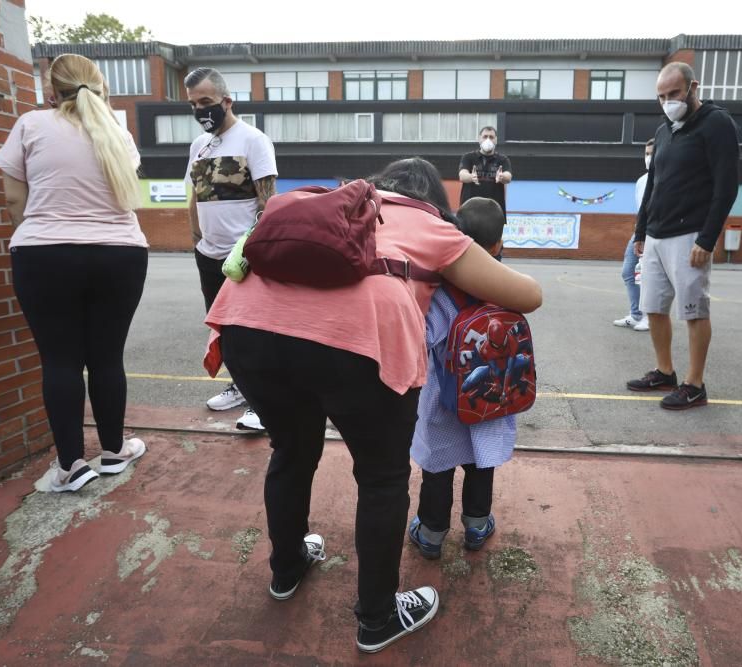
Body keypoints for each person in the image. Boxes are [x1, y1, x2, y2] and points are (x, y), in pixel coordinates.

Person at [202, 158, 542, 653]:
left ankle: (287, 568)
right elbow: (527, 295)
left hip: (246, 329)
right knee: (381, 479)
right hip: (357, 345)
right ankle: (378, 618)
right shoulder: (431, 226)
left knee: (291, 452)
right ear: (436, 203)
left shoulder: (323, 204)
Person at [0, 54, 148, 492]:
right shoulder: (118, 132)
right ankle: (115, 452)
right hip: (121, 253)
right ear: (100, 87)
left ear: (49, 90)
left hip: (45, 252)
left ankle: (70, 467)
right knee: (106, 356)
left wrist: (40, 239)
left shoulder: (31, 124)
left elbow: (11, 200)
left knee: (60, 359)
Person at [407, 197, 519, 560]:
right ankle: (476, 525)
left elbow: (422, 340)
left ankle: (431, 534)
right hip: (492, 399)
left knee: (437, 468)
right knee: (479, 464)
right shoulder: (508, 287)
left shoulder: (443, 292)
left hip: (446, 398)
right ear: (499, 244)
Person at [628, 62, 739, 410]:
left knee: (693, 311)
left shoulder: (716, 123)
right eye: (661, 96)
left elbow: (726, 187)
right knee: (654, 308)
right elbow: (653, 188)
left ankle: (695, 384)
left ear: (693, 87)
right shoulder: (664, 131)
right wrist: (640, 231)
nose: (668, 102)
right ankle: (665, 372)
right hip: (656, 236)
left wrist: (706, 239)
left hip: (689, 235)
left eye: (674, 94)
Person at [185, 67, 278, 431]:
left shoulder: (254, 140)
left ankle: (263, 401)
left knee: (253, 331)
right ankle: (240, 387)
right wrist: (196, 240)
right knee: (222, 330)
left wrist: (253, 249)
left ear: (227, 101)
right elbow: (194, 197)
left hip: (243, 256)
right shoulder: (198, 146)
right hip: (207, 254)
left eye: (206, 102)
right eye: (193, 104)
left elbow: (267, 202)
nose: (200, 110)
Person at [614, 139, 655, 332]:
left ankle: (650, 317)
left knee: (649, 277)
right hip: (641, 232)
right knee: (628, 271)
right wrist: (639, 234)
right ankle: (636, 313)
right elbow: (640, 210)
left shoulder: (666, 178)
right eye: (646, 153)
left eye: (652, 153)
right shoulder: (641, 181)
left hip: (657, 233)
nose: (649, 158)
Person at [458, 126, 512, 213]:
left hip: (494, 210)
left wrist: (502, 176)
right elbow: (462, 175)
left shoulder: (503, 159)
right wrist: (471, 177)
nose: (488, 140)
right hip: (470, 209)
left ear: (496, 140)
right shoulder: (468, 157)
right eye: (485, 136)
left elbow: (508, 177)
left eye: (491, 137)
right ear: (480, 139)